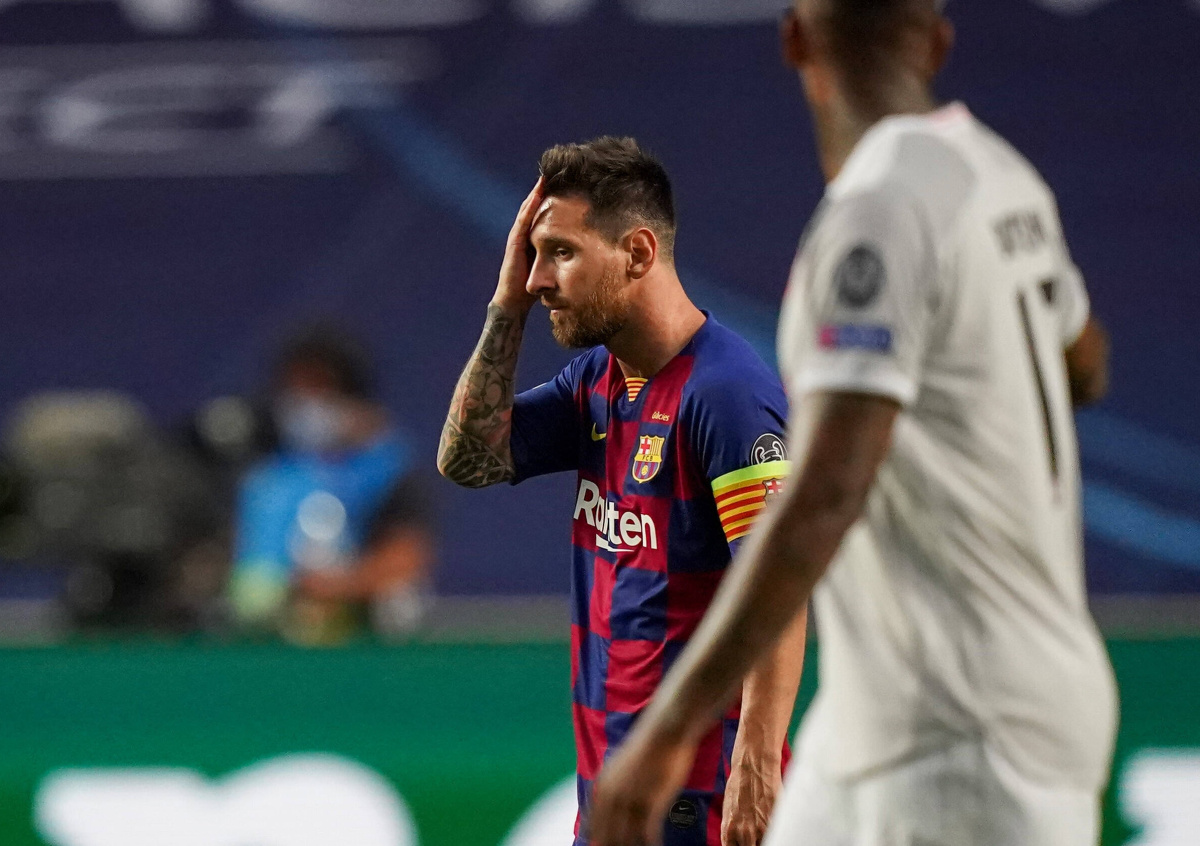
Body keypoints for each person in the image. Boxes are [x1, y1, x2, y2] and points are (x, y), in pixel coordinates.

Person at [587, 3, 1116, 845]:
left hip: (961, 730)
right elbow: (1084, 365)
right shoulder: (1004, 178)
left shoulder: (879, 211)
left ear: (795, 38)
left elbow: (827, 493)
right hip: (889, 713)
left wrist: (669, 729)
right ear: (938, 42)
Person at [437, 137, 809, 846]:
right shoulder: (596, 384)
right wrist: (506, 304)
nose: (538, 280)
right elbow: (468, 458)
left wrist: (756, 766)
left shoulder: (725, 395)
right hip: (614, 798)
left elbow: (779, 586)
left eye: (561, 253)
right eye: (531, 254)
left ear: (637, 254)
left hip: (702, 800)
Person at [230, 327, 436, 643]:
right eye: (295, 389)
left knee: (400, 603)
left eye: (319, 388)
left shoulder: (390, 468)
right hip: (269, 622)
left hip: (356, 615)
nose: (306, 402)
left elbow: (406, 557)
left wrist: (338, 585)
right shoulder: (263, 469)